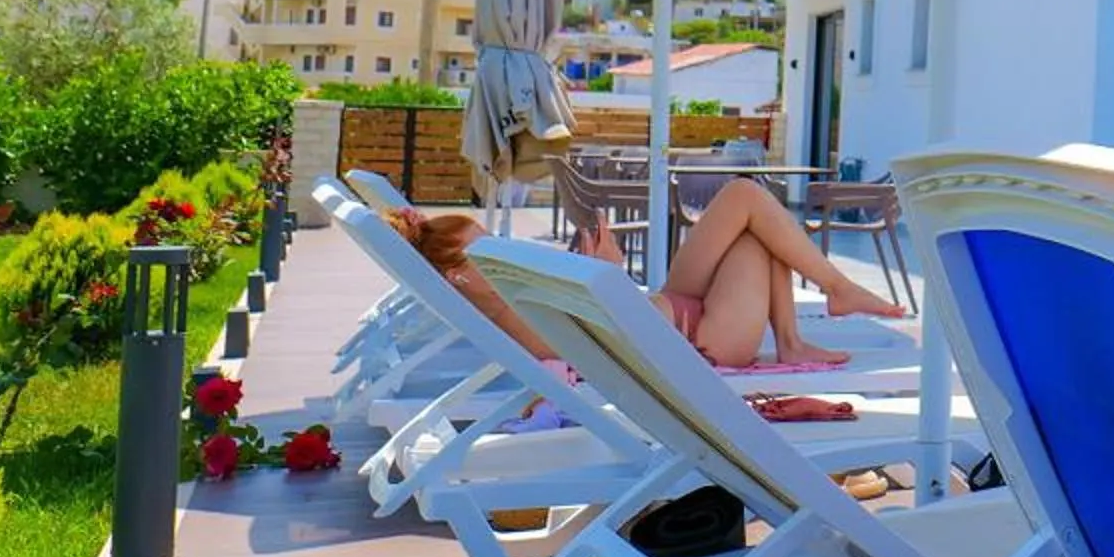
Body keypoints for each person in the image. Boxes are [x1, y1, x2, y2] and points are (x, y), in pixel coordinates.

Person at [386, 176, 903, 370]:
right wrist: (606, 279)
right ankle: (817, 309)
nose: (495, 253)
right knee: (756, 232)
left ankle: (822, 304)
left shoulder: (504, 290)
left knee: (744, 196)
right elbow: (593, 346)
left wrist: (593, 273)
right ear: (456, 277)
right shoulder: (505, 315)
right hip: (702, 339)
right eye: (482, 252)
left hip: (671, 304)